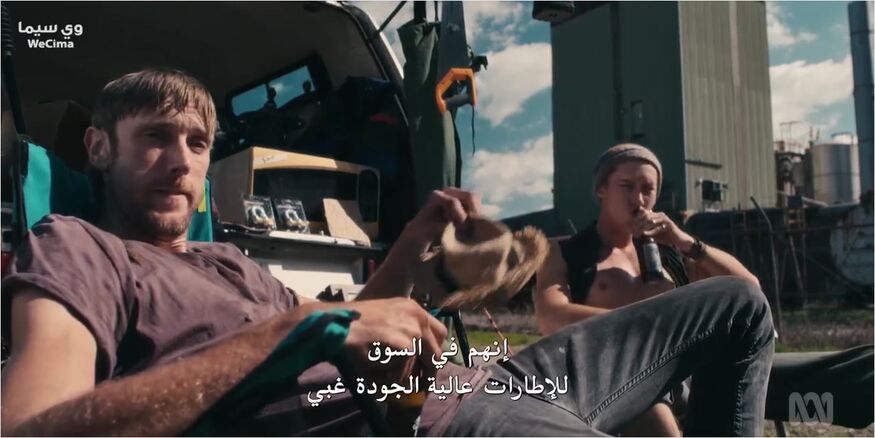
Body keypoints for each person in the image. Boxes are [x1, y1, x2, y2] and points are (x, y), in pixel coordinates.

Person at [1, 69, 774, 436]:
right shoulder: (78, 249)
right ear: (97, 148)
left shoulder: (228, 263)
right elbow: (31, 428)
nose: (180, 161)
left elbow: (349, 328)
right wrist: (290, 332)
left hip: (487, 380)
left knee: (735, 306)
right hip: (427, 422)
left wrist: (415, 241)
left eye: (197, 144)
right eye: (155, 139)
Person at [534, 143, 762, 436]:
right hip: (613, 379)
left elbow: (748, 296)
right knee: (648, 406)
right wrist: (651, 328)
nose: (638, 199)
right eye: (626, 186)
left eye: (647, 189)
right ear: (601, 190)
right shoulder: (565, 251)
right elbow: (551, 316)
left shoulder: (671, 254)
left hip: (682, 378)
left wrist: (686, 242)